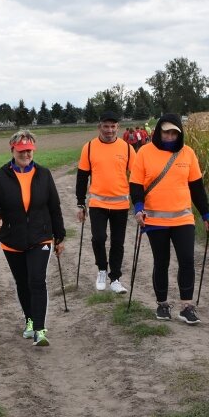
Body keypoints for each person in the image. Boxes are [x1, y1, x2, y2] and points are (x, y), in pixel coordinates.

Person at [129, 113, 209, 324]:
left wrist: (206, 214)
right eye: (166, 131)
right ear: (159, 131)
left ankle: (187, 306)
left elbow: (197, 188)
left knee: (187, 260)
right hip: (155, 219)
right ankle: (162, 305)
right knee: (162, 262)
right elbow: (136, 185)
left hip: (183, 218)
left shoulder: (188, 154)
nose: (170, 136)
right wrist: (139, 209)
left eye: (174, 133)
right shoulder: (144, 153)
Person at [0, 130, 66, 346]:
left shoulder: (44, 174)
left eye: (29, 150)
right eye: (22, 150)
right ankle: (29, 321)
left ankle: (40, 329)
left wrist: (60, 237)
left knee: (37, 280)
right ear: (12, 150)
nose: (26, 154)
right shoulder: (0, 176)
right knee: (22, 282)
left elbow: (54, 208)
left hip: (41, 237)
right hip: (12, 239)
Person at [76, 111, 136, 294]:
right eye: (106, 126)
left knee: (118, 243)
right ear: (99, 127)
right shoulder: (89, 147)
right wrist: (80, 203)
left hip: (120, 204)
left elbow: (136, 177)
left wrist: (140, 202)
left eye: (113, 126)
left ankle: (115, 278)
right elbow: (82, 177)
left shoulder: (127, 148)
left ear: (118, 127)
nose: (109, 130)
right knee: (99, 238)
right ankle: (102, 270)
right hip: (98, 203)